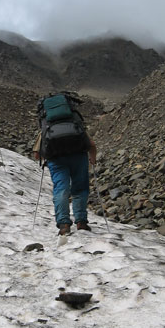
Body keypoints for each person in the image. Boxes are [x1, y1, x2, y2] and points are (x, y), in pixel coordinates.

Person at [33, 95, 97, 235]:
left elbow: (37, 154)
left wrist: (45, 157)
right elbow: (91, 144)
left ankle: (63, 224)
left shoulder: (47, 127)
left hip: (56, 160)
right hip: (78, 156)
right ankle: (81, 222)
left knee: (61, 189)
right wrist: (93, 158)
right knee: (80, 189)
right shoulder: (74, 123)